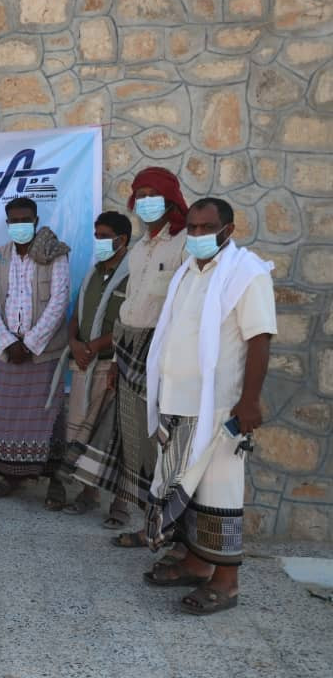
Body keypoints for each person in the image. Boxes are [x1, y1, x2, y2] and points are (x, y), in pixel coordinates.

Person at [141, 198, 276, 616]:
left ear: (228, 230)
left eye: (206, 227)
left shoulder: (246, 273)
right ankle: (197, 564)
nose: (197, 235)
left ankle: (226, 582)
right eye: (193, 227)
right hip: (179, 403)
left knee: (219, 491)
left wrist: (249, 401)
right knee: (191, 489)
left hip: (219, 409)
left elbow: (259, 339)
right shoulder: (188, 270)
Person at [107, 168, 189, 544]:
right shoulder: (139, 248)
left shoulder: (184, 243)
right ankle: (150, 524)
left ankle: (173, 528)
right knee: (136, 441)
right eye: (139, 194)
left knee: (163, 442)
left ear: (170, 199)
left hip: (160, 353)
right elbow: (130, 304)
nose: (145, 201)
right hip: (128, 349)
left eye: (152, 194)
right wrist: (114, 361)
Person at [0, 197, 71, 509]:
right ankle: (10, 476)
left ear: (35, 221)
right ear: (8, 224)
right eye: (14, 221)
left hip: (42, 353)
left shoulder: (54, 255)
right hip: (8, 352)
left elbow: (59, 301)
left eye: (25, 220)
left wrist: (30, 343)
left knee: (49, 417)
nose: (20, 225)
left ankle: (55, 481)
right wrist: (8, 342)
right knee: (8, 417)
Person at [54, 211, 131, 515]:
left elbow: (131, 324)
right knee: (83, 433)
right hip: (85, 365)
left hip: (114, 366)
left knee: (114, 437)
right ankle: (89, 493)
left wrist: (95, 346)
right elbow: (77, 315)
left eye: (104, 236)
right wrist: (75, 343)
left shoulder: (133, 276)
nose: (98, 241)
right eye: (96, 236)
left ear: (122, 240)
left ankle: (121, 503)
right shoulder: (93, 274)